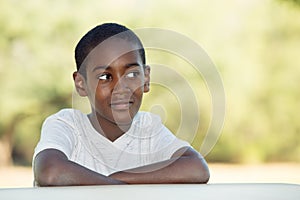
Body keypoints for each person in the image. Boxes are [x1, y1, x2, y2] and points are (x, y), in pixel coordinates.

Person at [33, 23, 210, 186]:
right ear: (81, 84)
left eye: (132, 75)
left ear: (146, 78)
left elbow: (197, 168)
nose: (121, 88)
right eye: (105, 77)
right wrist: (120, 190)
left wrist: (119, 178)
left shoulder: (148, 129)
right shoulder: (67, 124)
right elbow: (50, 171)